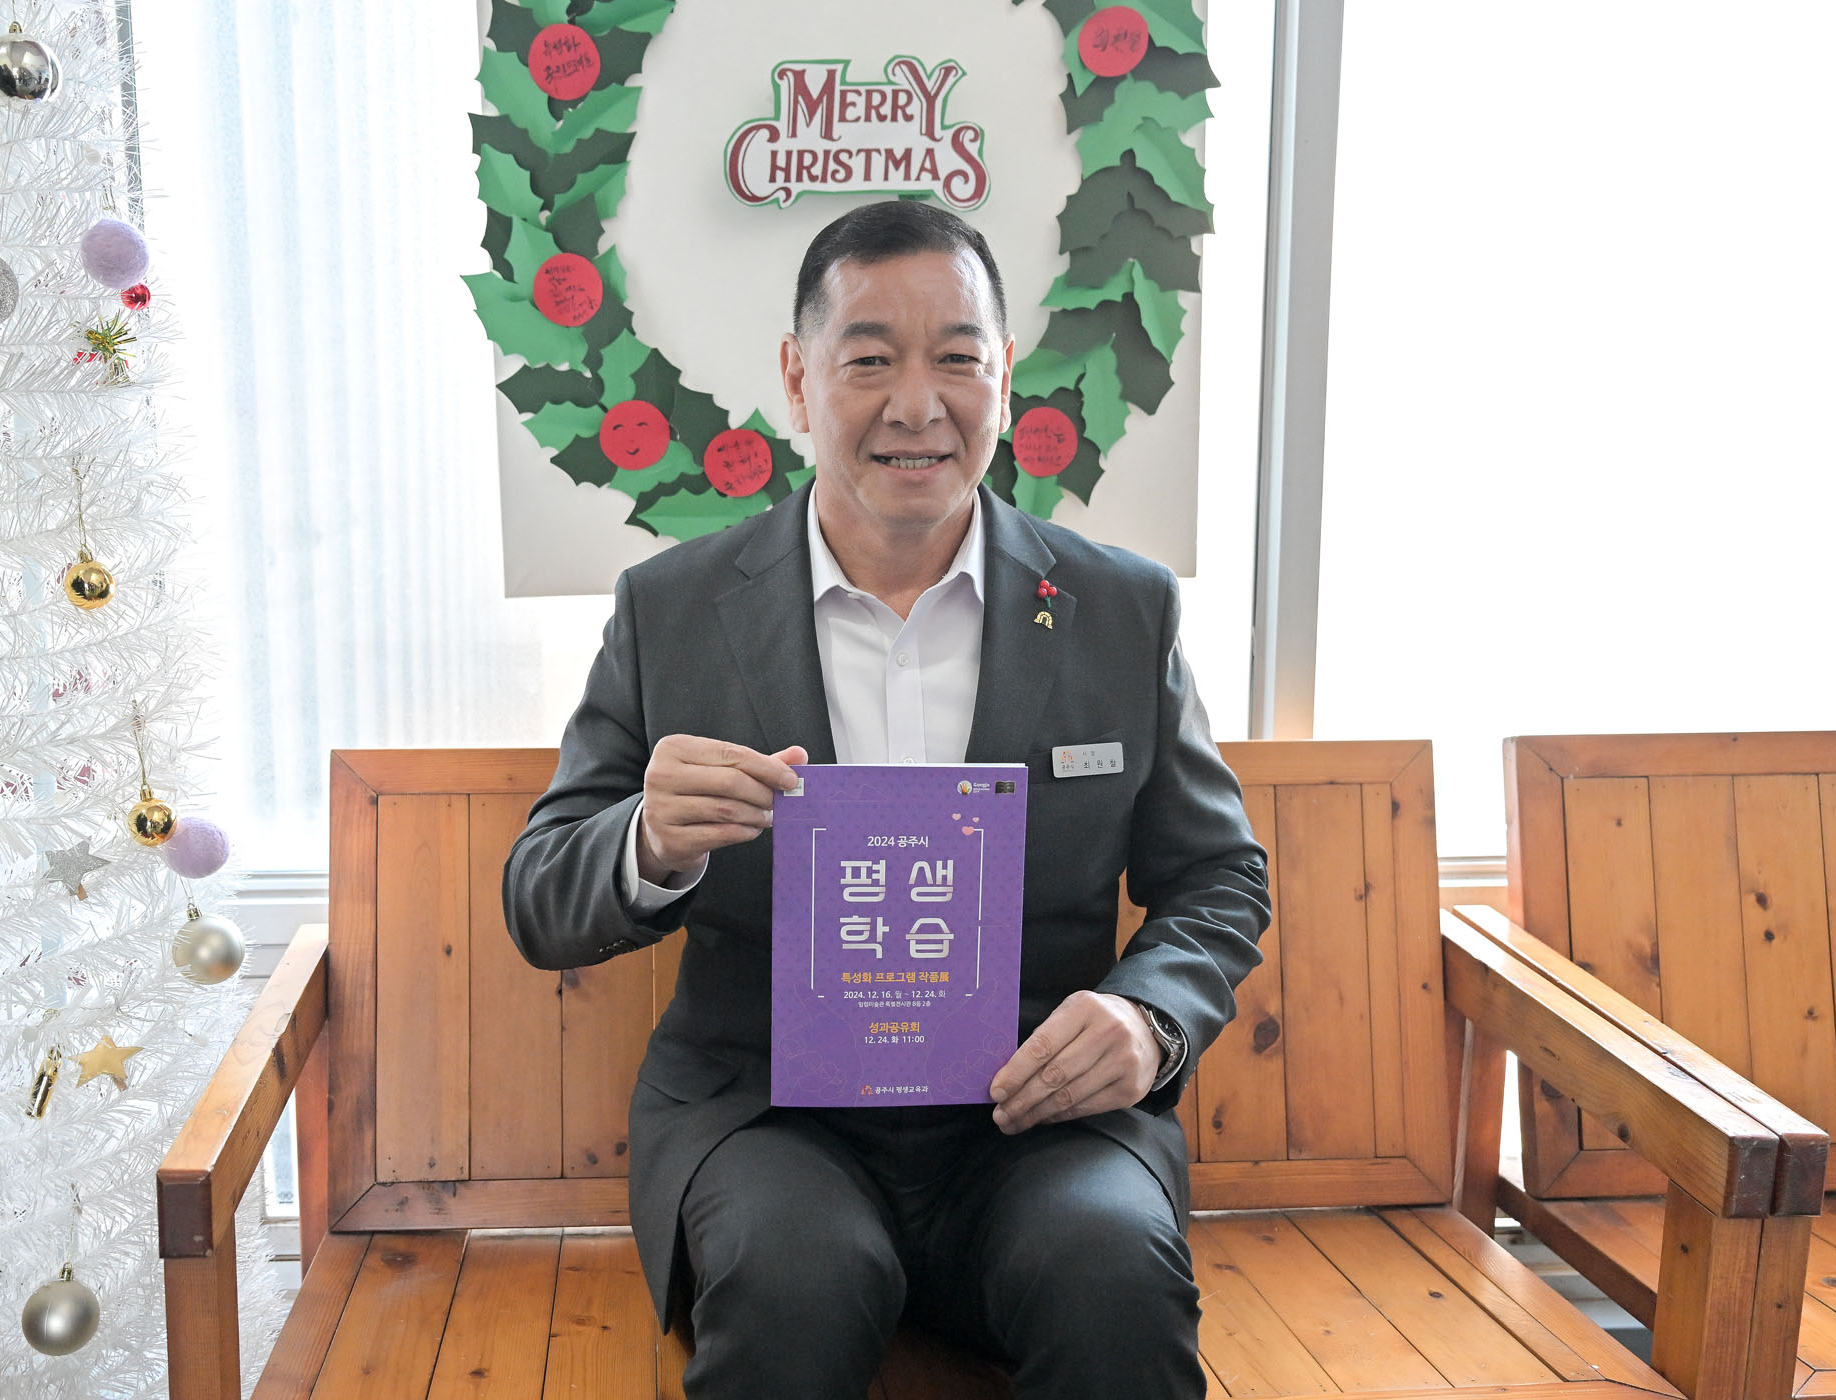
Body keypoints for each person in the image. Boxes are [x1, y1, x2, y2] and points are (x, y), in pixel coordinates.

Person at [503, 200, 1270, 1400]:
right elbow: (540, 897)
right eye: (869, 360)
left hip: (1038, 1115)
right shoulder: (673, 610)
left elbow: (1218, 875)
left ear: (1004, 373)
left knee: (1112, 1276)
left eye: (957, 357)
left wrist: (1148, 1017)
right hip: (771, 1119)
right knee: (792, 1285)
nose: (919, 404)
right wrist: (645, 840)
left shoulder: (1120, 610)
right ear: (797, 380)